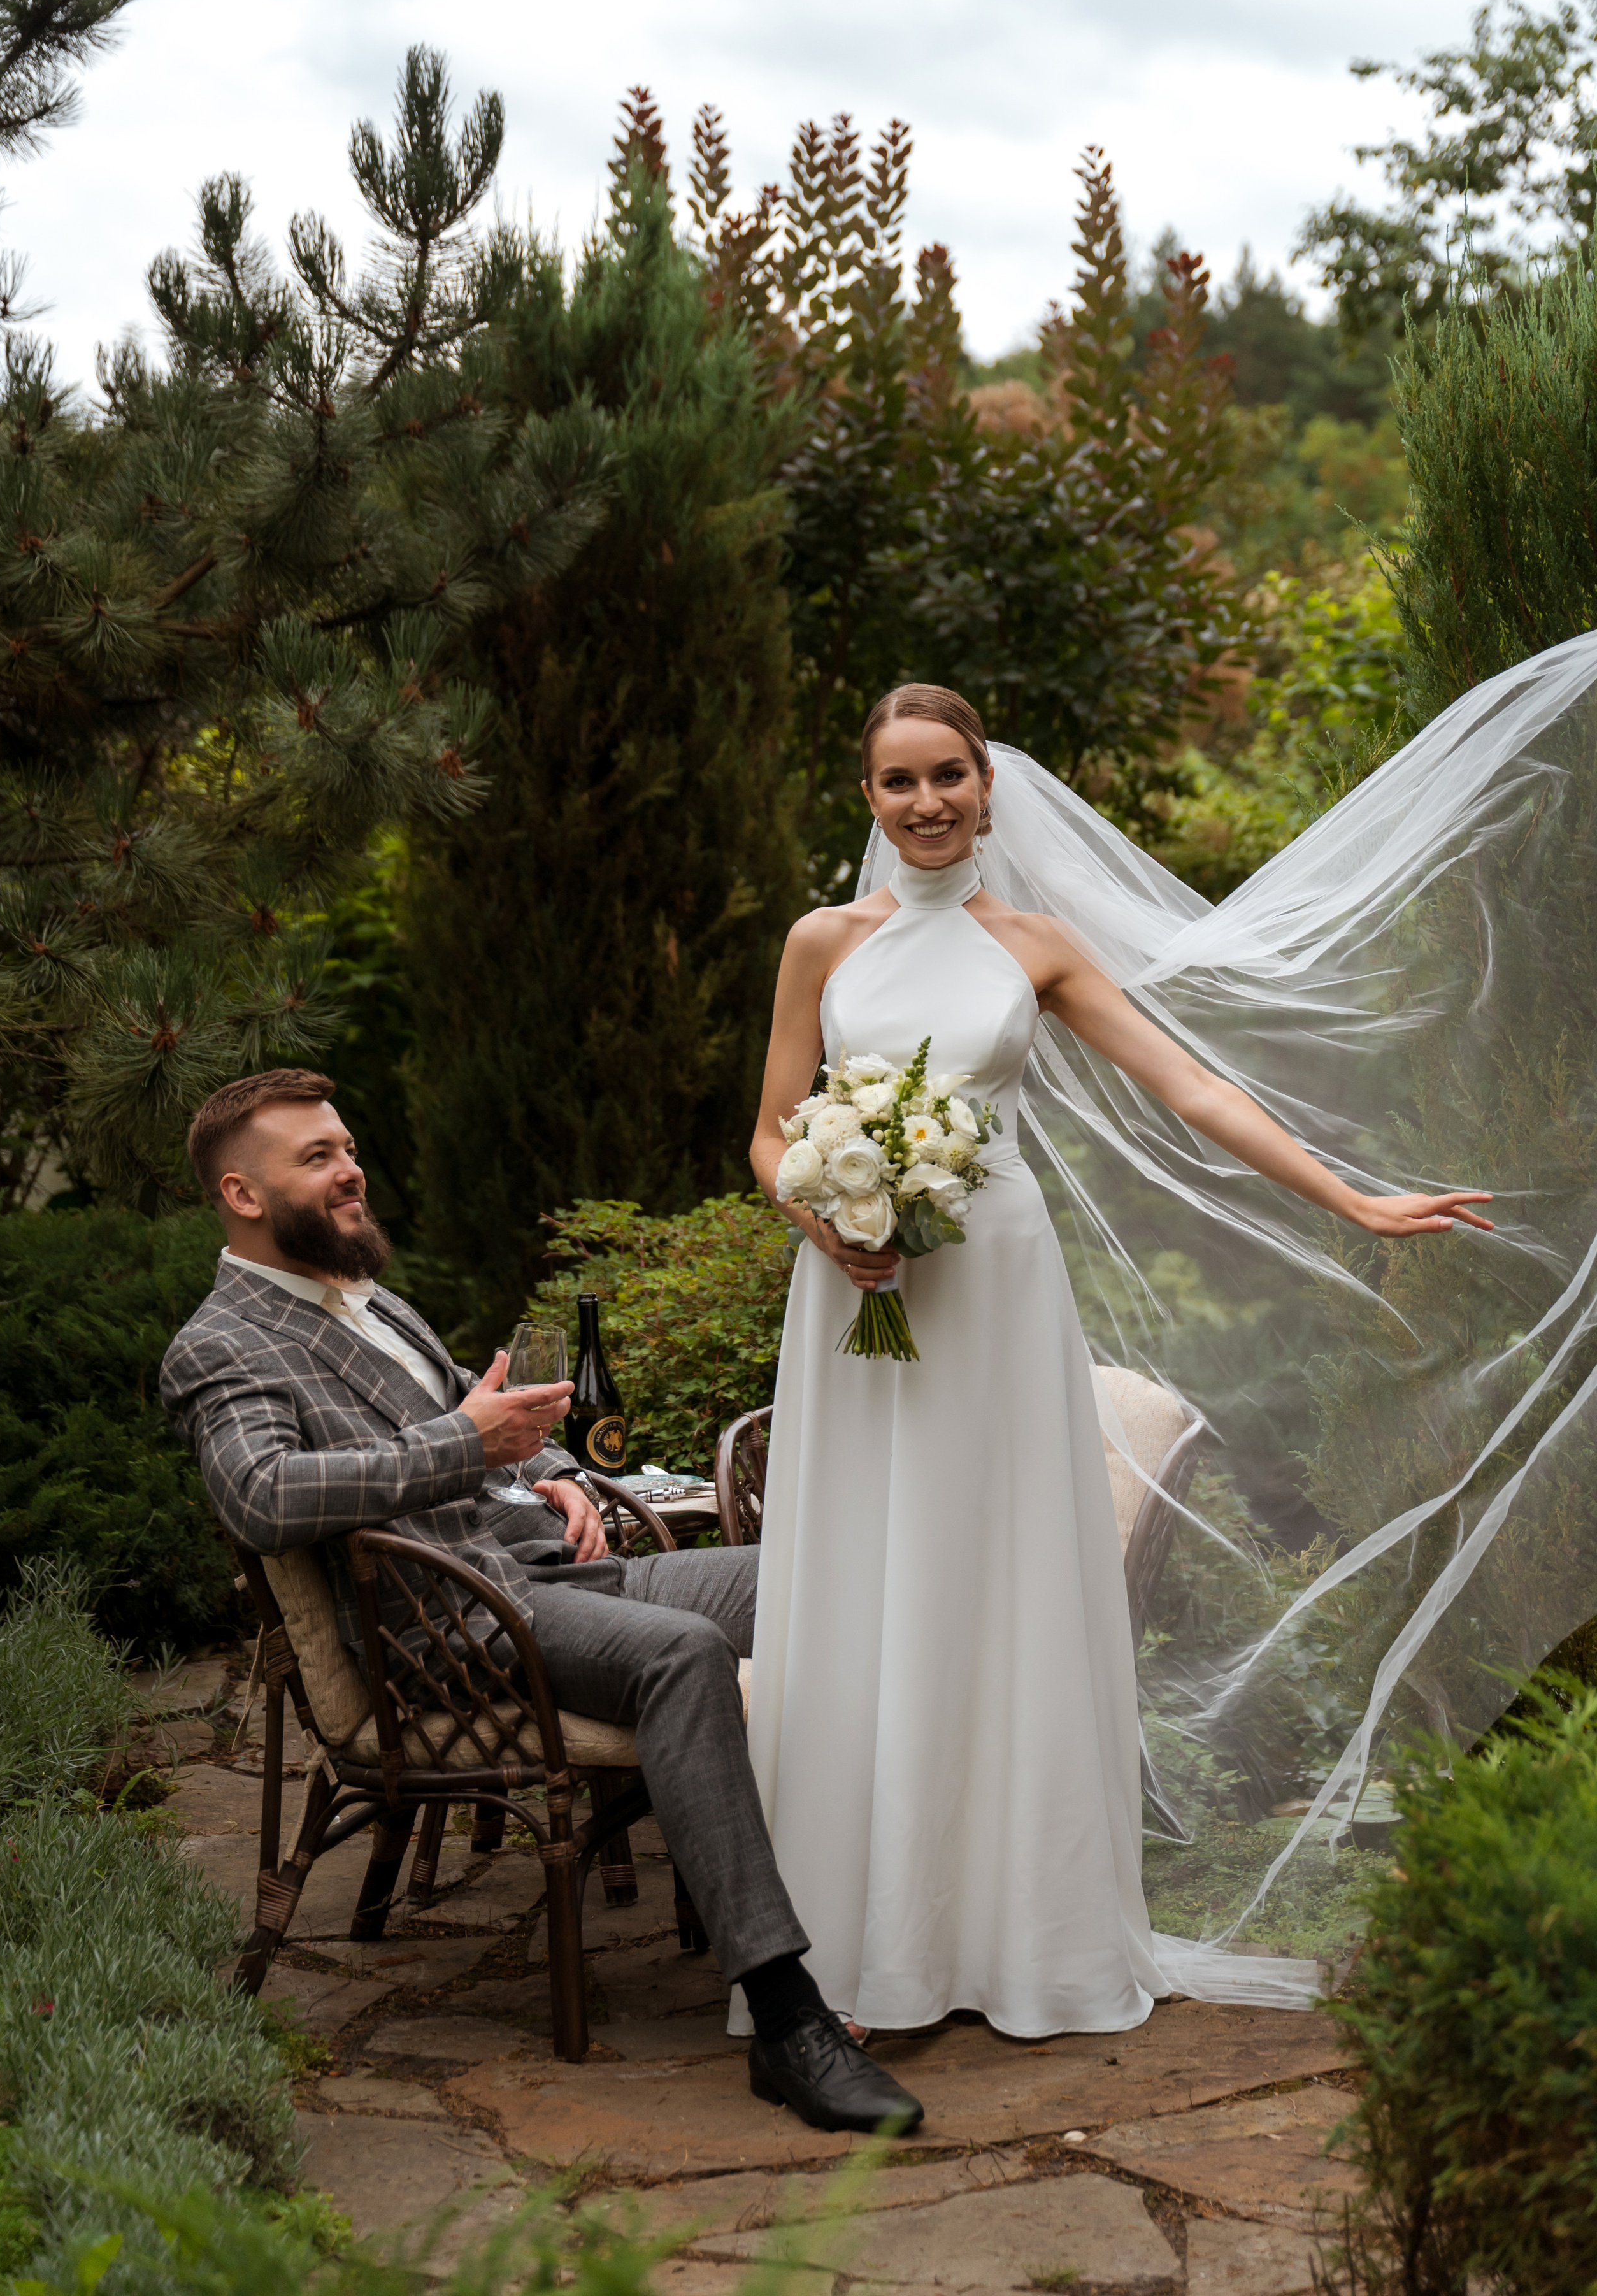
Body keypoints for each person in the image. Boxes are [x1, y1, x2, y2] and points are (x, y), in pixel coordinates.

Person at [743, 684, 1493, 2038]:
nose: (926, 802)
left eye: (948, 776)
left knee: (991, 1570)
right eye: (898, 781)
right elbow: (768, 1130)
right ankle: (857, 1945)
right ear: (868, 798)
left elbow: (1190, 1088)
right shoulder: (820, 942)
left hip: (992, 1281)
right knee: (868, 1569)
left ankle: (1011, 1940)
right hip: (853, 1295)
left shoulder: (1035, 946)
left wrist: (1354, 1199)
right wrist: (828, 1223)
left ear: (988, 787)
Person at [160, 1067, 924, 2133]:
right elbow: (262, 1494)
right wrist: (463, 1444)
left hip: (557, 1573)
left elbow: (484, 1427)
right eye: (318, 1157)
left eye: (349, 1149)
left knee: (837, 1571)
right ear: (242, 1194)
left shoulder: (372, 1302)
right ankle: (786, 2012)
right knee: (683, 1654)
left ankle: (908, 1910)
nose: (351, 1171)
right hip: (456, 1622)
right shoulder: (223, 1343)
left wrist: (552, 1472)